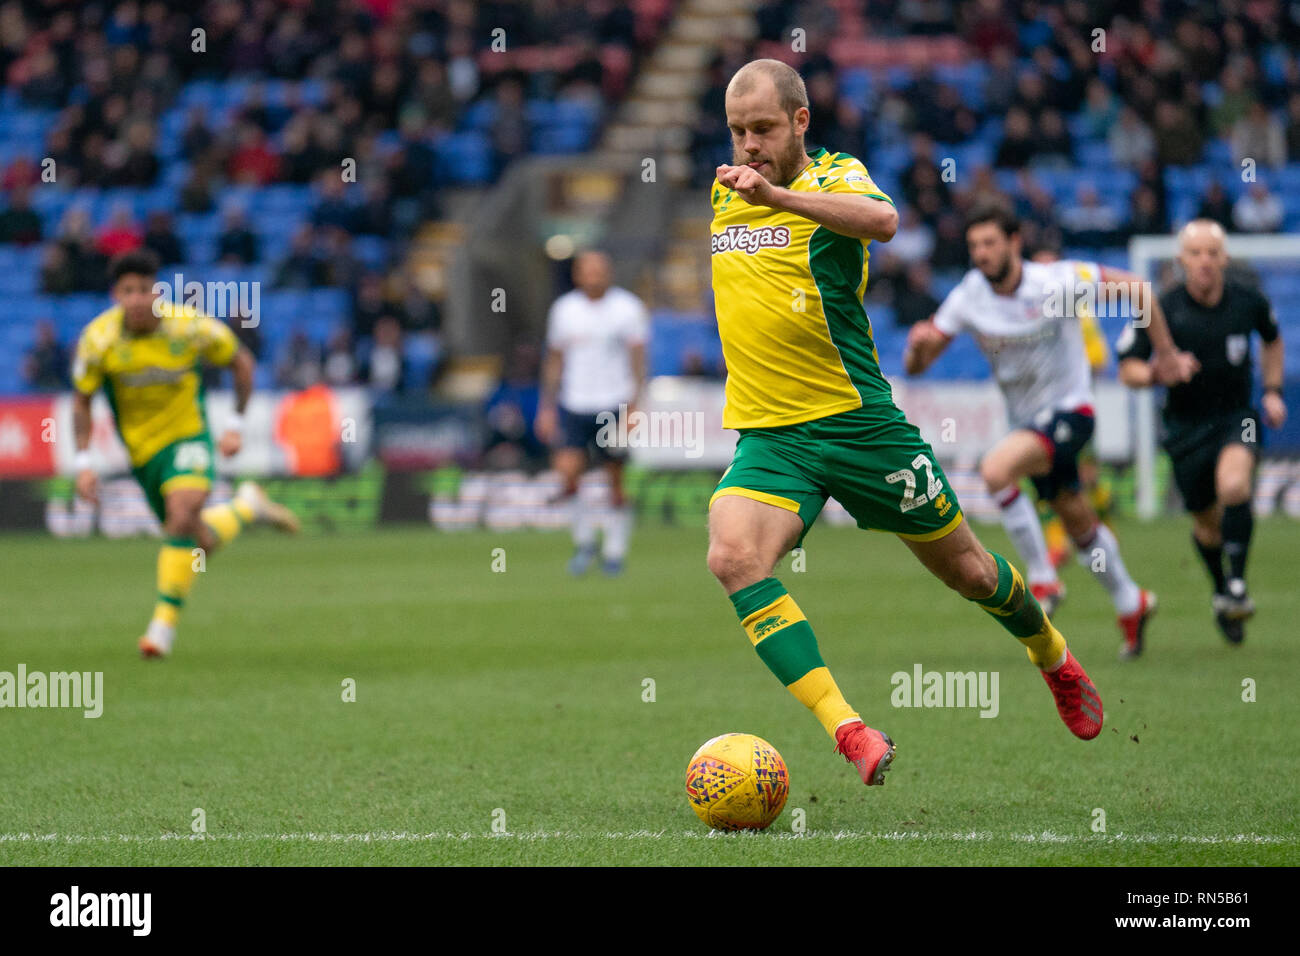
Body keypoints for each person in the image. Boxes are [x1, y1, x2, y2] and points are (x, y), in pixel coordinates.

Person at [708, 59, 1107, 792]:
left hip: (860, 428)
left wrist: (780, 196)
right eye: (737, 132)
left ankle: (1051, 653)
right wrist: (755, 187)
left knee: (972, 572)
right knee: (733, 557)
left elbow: (884, 222)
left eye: (762, 128)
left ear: (800, 121)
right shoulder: (725, 192)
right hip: (772, 436)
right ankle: (850, 730)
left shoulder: (835, 180)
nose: (748, 146)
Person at [906, 203, 1197, 659]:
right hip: (1029, 425)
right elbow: (919, 365)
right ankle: (1131, 602)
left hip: (1071, 411)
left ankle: (1042, 579)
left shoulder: (1057, 282)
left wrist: (1166, 354)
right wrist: (917, 350)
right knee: (1077, 518)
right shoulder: (968, 296)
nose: (981, 254)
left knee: (996, 469)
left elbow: (1138, 289)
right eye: (974, 246)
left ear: (1014, 242)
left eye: (989, 243)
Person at [71, 250, 299, 659]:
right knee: (197, 541)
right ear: (115, 295)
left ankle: (162, 628)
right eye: (128, 291)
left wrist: (235, 426)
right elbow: (81, 401)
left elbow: (241, 364)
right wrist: (84, 464)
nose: (137, 299)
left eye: (144, 290)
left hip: (188, 437)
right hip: (143, 454)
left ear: (156, 291)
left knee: (182, 513)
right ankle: (247, 507)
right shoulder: (98, 340)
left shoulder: (189, 327)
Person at [1117, 220, 1286, 644]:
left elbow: (1273, 339)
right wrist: (1160, 371)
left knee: (1234, 487)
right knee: (1207, 528)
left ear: (1225, 258)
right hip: (1185, 427)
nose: (1205, 261)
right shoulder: (1163, 309)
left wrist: (1272, 390)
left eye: (1213, 253)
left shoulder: (1248, 302)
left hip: (1236, 416)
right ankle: (1221, 590)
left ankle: (1238, 586)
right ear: (1181, 260)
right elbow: (1127, 370)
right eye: (1196, 253)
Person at [535, 251, 648, 575]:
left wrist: (636, 404)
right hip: (574, 402)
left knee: (615, 481)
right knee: (567, 473)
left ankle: (615, 551)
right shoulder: (564, 310)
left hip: (613, 403)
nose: (594, 276)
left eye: (600, 269)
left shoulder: (627, 308)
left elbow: (639, 359)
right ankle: (585, 542)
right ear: (577, 275)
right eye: (588, 270)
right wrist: (547, 406)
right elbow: (554, 360)